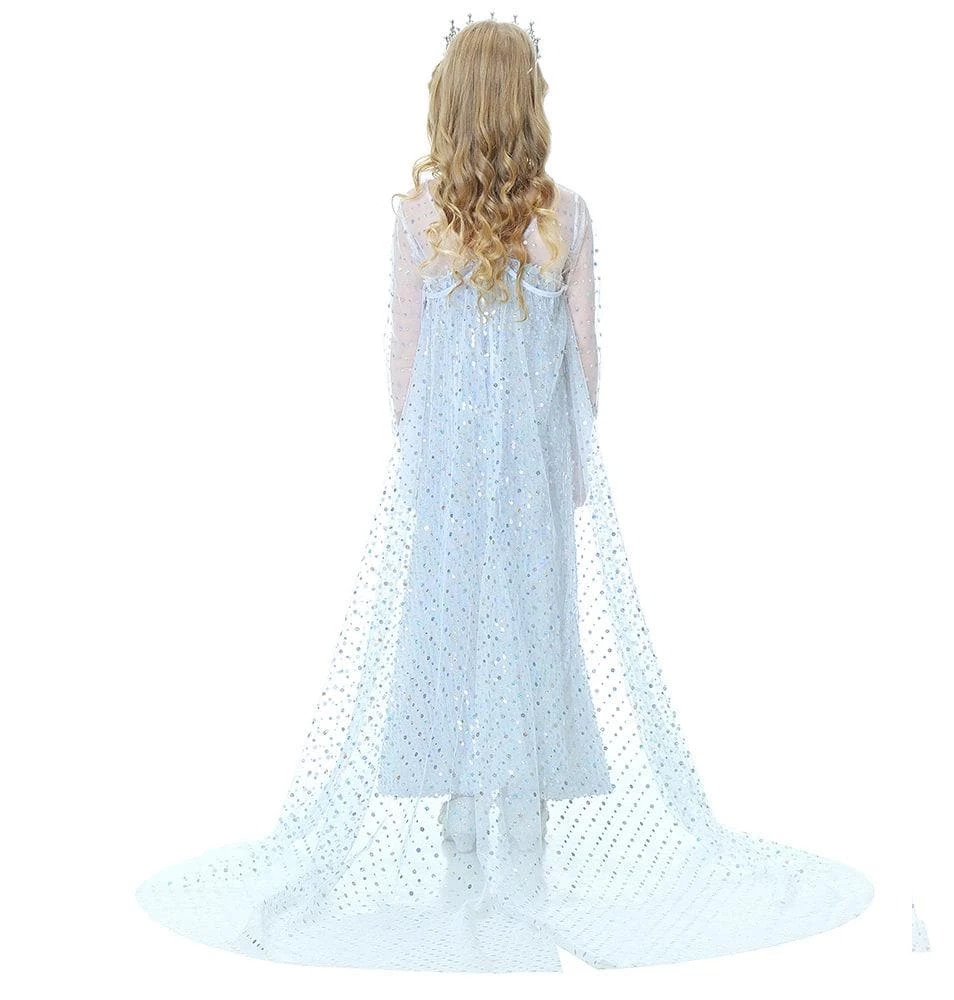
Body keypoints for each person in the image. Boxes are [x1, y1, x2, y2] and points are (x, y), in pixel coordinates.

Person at [135, 16, 874, 972]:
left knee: (451, 646)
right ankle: (522, 852)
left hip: (448, 479)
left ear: (448, 102)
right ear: (528, 103)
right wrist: (569, 471)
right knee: (530, 640)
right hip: (530, 481)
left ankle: (462, 854)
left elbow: (403, 356)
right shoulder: (566, 217)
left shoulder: (421, 219)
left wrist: (420, 465)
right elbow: (585, 356)